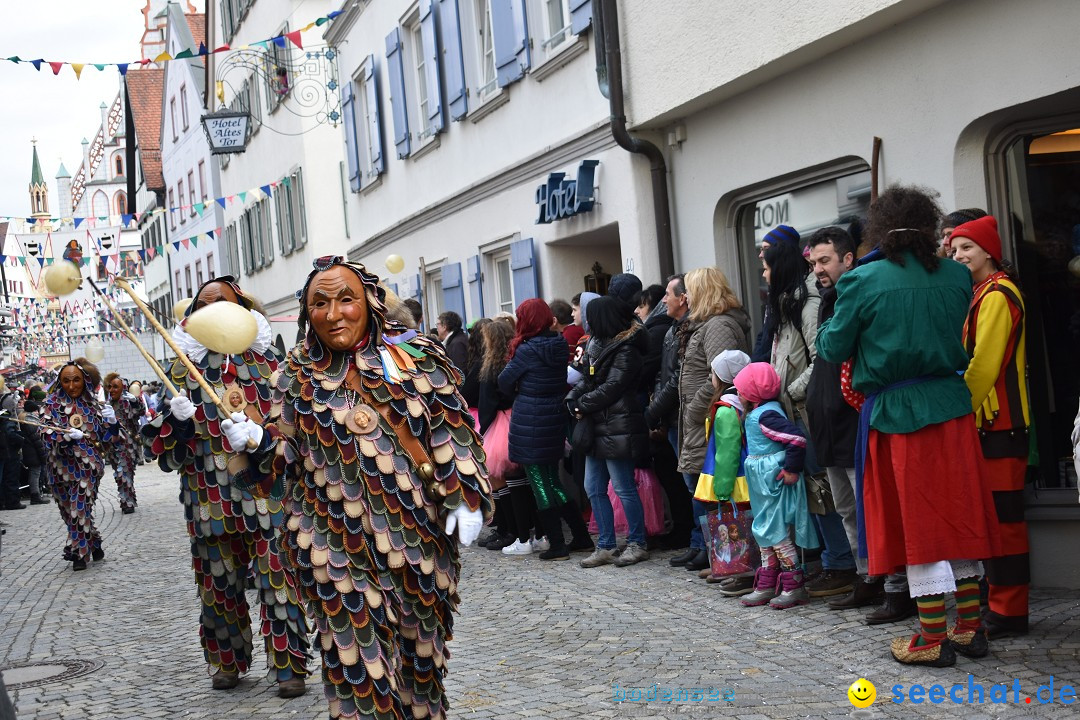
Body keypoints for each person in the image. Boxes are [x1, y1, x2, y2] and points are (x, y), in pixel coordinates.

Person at [225, 256, 492, 719]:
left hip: (418, 541)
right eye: (319, 303)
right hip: (331, 546)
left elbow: (452, 430)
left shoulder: (417, 358)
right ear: (307, 313)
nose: (333, 314)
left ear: (369, 303)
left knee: (420, 674)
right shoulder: (294, 376)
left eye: (345, 299)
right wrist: (255, 443)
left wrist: (464, 496)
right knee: (357, 670)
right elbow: (280, 467)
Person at [817, 185, 1001, 666]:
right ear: (929, 225)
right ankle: (967, 628)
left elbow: (833, 347)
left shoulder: (863, 279)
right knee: (957, 517)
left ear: (878, 230)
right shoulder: (957, 277)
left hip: (899, 412)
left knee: (917, 525)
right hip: (951, 407)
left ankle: (932, 638)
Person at [141, 277, 311, 696]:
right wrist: (178, 421)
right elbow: (165, 452)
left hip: (267, 494)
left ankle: (289, 666)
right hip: (207, 497)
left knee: (279, 581)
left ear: (244, 307)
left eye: (224, 301)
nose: (214, 308)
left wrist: (261, 437)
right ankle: (227, 660)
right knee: (218, 586)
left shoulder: (272, 362)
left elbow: (296, 427)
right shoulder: (182, 368)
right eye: (204, 304)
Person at [806, 227, 910, 616]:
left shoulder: (861, 293)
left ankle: (897, 586)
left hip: (856, 419)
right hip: (828, 423)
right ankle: (868, 578)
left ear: (848, 259)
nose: (817, 269)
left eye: (825, 260)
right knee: (848, 509)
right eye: (814, 262)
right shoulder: (828, 299)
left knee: (875, 510)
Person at [762, 234, 858, 600]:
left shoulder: (806, 303)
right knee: (818, 489)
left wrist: (787, 392)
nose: (764, 274)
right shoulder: (790, 303)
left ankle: (841, 563)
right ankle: (835, 561)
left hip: (808, 411)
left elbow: (821, 359)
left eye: (768, 267)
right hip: (799, 412)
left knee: (825, 490)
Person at [952, 215, 1032, 639]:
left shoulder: (998, 293)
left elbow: (985, 362)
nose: (958, 256)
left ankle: (1010, 610)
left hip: (999, 423)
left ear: (988, 250)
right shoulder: (983, 291)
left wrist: (957, 408)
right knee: (995, 521)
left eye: (966, 247)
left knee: (1005, 522)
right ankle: (1000, 603)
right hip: (990, 422)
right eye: (953, 250)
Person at [669, 267, 750, 572]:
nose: (685, 296)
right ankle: (707, 548)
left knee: (710, 488)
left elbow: (723, 375)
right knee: (698, 487)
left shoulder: (718, 326)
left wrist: (695, 408)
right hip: (701, 420)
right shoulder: (706, 324)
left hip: (710, 420)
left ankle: (723, 555)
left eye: (689, 289)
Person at [499, 298, 593, 560]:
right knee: (553, 479)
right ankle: (581, 537)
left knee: (539, 482)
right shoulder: (558, 343)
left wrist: (520, 388)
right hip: (553, 417)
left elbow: (504, 381)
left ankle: (557, 544)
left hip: (531, 420)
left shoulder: (527, 350)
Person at [567, 295, 651, 568]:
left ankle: (637, 542)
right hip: (598, 425)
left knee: (623, 486)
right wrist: (572, 399)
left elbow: (613, 387)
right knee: (593, 486)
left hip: (619, 424)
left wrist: (582, 404)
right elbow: (588, 379)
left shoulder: (627, 348)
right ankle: (605, 544)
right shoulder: (597, 343)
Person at [733, 363, 819, 609]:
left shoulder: (767, 414)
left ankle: (794, 586)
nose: (738, 394)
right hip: (762, 485)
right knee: (763, 530)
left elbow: (796, 438)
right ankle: (768, 582)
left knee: (778, 533)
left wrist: (791, 469)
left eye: (741, 390)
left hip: (774, 484)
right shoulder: (759, 411)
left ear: (753, 393)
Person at [41, 358, 122, 570]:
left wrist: (113, 424)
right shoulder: (50, 406)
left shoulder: (94, 406)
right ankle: (94, 545)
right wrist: (66, 436)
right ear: (60, 382)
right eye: (66, 381)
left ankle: (78, 554)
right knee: (70, 512)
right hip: (58, 468)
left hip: (88, 466)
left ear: (84, 381)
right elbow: (46, 432)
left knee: (80, 508)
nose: (71, 386)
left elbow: (107, 440)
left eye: (76, 380)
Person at [645, 274, 693, 550]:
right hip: (671, 414)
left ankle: (698, 540)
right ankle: (694, 539)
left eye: (668, 294)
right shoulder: (673, 330)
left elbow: (677, 378)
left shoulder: (685, 329)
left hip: (682, 413)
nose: (663, 300)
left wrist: (653, 410)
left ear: (683, 298)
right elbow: (665, 376)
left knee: (689, 484)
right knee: (683, 482)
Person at [102, 373, 140, 514]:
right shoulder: (108, 405)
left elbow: (139, 412)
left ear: (123, 388)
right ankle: (128, 497)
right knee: (121, 474)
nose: (112, 390)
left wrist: (135, 401)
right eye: (110, 387)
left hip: (128, 444)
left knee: (124, 472)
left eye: (115, 387)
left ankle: (127, 502)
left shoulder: (129, 402)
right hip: (113, 445)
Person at [19, 400, 48, 504]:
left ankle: (36, 494)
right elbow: (37, 441)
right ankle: (35, 496)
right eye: (36, 410)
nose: (37, 412)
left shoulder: (27, 420)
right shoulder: (30, 422)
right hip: (32, 452)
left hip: (30, 451)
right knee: (35, 473)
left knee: (35, 472)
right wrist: (43, 455)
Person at [0, 394, 25, 511]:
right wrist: (21, 439)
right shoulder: (7, 418)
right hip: (10, 451)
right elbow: (11, 434)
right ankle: (12, 502)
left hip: (8, 450)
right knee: (11, 477)